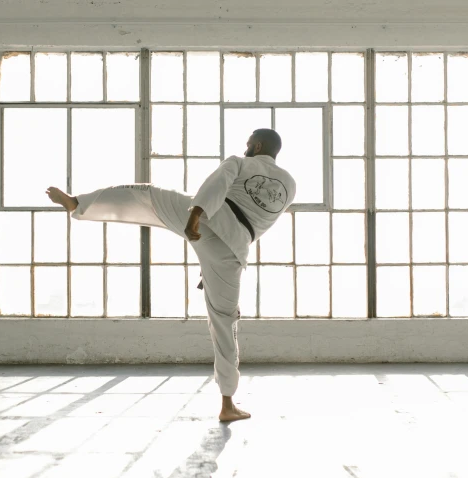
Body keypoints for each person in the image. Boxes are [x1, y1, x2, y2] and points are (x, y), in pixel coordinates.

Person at [46, 128, 296, 422]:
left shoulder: (240, 162)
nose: (245, 148)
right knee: (224, 322)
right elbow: (259, 218)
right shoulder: (290, 184)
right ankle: (228, 404)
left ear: (257, 145)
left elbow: (217, 183)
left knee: (147, 195)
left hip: (206, 218)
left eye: (248, 144)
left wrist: (194, 216)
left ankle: (80, 203)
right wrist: (213, 263)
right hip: (235, 248)